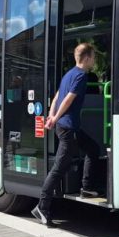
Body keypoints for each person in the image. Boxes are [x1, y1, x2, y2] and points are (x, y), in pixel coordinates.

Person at [32, 43, 101, 227]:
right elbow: (68, 99)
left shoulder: (69, 74)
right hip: (67, 127)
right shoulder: (81, 76)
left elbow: (56, 97)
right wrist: (54, 118)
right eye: (93, 57)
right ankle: (42, 207)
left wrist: (51, 115)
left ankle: (87, 188)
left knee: (92, 149)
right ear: (87, 58)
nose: (94, 61)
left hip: (70, 126)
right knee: (59, 168)